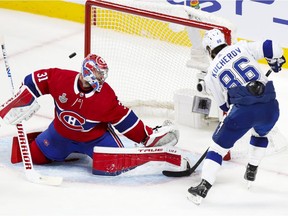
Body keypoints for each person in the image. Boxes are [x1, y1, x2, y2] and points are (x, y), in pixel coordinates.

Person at [0, 54, 181, 175]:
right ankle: (70, 152)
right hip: (60, 135)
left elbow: (124, 119)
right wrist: (23, 99)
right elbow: (32, 81)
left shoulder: (106, 96)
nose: (102, 77)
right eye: (99, 73)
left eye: (103, 74)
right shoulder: (60, 79)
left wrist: (146, 136)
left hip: (95, 139)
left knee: (114, 168)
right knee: (33, 158)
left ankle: (82, 152)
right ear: (88, 71)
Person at [187, 29, 286, 204]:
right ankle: (252, 169)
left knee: (217, 148)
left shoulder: (210, 74)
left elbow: (223, 105)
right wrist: (275, 60)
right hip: (270, 108)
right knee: (260, 134)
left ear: (209, 50)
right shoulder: (242, 48)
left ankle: (203, 187)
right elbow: (272, 46)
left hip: (242, 112)